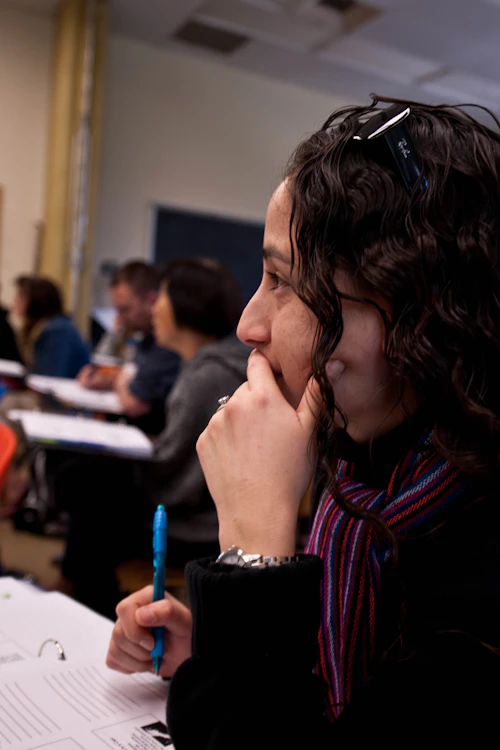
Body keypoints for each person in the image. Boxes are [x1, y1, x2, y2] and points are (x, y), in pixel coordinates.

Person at [107, 97, 500, 746]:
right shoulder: (372, 477)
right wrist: (218, 649)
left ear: (417, 319)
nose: (247, 325)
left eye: (284, 280)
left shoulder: (479, 591)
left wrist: (253, 559)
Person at [56, 258, 249, 617]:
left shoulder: (207, 374)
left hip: (195, 524)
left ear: (184, 307)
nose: (154, 307)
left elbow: (173, 468)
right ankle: (83, 596)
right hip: (202, 509)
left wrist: (132, 452)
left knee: (92, 493)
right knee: (90, 482)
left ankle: (87, 606)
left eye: (161, 297)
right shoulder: (209, 363)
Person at [78, 261, 180, 435]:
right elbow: (131, 375)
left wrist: (120, 380)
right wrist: (111, 379)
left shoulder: (168, 343)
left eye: (125, 309)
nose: (119, 318)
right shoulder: (145, 338)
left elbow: (134, 403)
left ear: (152, 300)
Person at [13, 276, 89, 378]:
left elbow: (51, 377)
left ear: (36, 301)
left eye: (21, 297)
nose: (15, 302)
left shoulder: (57, 331)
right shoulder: (41, 328)